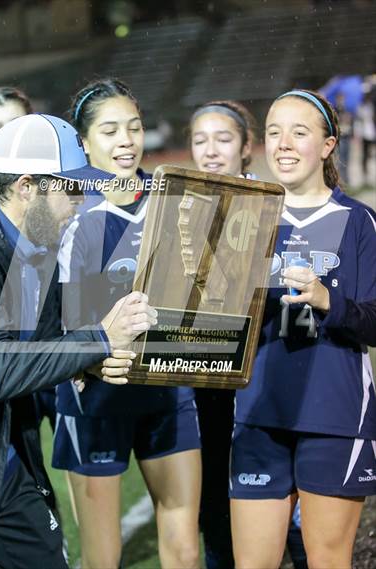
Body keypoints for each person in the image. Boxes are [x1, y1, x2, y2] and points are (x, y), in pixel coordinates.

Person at [0, 113, 157, 569]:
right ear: (27, 187)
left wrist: (83, 361)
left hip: (0, 468)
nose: (79, 200)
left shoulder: (31, 243)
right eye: (69, 187)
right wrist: (99, 340)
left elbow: (35, 347)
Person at [52, 78, 202, 569]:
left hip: (168, 390)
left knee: (184, 545)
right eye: (110, 130)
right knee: (103, 557)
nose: (126, 141)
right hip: (96, 397)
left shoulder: (171, 200)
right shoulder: (60, 210)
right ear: (84, 141)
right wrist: (88, 359)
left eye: (134, 128)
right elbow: (45, 315)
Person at [230, 89, 376, 569]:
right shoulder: (245, 219)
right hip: (258, 412)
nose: (284, 144)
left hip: (334, 416)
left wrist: (327, 300)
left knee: (328, 561)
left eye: (299, 132)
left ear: (328, 146)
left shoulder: (358, 221)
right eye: (274, 132)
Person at [189, 100, 307, 569]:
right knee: (215, 501)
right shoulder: (182, 208)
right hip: (205, 380)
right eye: (200, 140)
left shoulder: (277, 205)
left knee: (284, 506)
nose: (210, 151)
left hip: (266, 373)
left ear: (245, 147)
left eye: (223, 139)